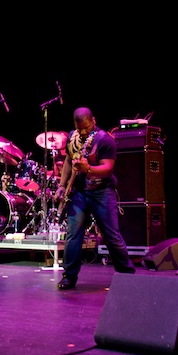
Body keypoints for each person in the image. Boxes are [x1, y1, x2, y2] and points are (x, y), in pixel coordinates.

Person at [52, 107, 135, 290]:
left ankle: (127, 274)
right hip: (80, 193)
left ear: (94, 121)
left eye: (86, 127)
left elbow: (107, 168)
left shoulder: (105, 140)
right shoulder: (73, 137)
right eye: (79, 128)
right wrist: (62, 185)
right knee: (73, 234)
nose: (83, 132)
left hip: (102, 192)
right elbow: (68, 160)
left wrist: (88, 169)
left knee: (111, 235)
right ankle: (69, 276)